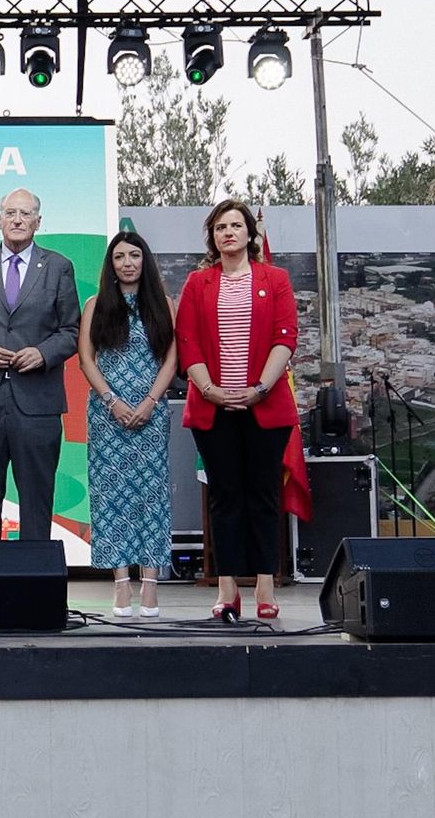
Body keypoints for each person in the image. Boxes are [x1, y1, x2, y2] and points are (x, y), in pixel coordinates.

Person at [175, 198, 299, 620]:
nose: (228, 232)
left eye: (236, 225)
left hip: (265, 406)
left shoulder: (275, 279)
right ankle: (227, 590)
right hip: (213, 407)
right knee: (224, 497)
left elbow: (286, 338)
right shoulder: (197, 283)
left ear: (251, 233)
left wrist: (260, 388)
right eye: (220, 227)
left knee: (264, 495)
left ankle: (266, 587)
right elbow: (187, 340)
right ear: (212, 236)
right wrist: (208, 388)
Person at [0, 187, 80, 544]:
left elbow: (71, 330)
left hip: (37, 402)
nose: (17, 220)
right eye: (10, 213)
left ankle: (35, 593)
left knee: (37, 501)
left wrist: (43, 354)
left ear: (38, 222)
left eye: (25, 214)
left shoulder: (58, 266)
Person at [77, 231, 177, 617]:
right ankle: (120, 585)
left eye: (135, 255)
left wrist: (150, 401)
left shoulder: (163, 304)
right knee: (112, 497)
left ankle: (150, 585)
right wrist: (112, 401)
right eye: (119, 257)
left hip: (151, 414)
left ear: (145, 261)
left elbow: (172, 357)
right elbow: (87, 359)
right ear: (111, 264)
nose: (128, 263)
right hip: (107, 415)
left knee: (150, 497)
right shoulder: (95, 304)